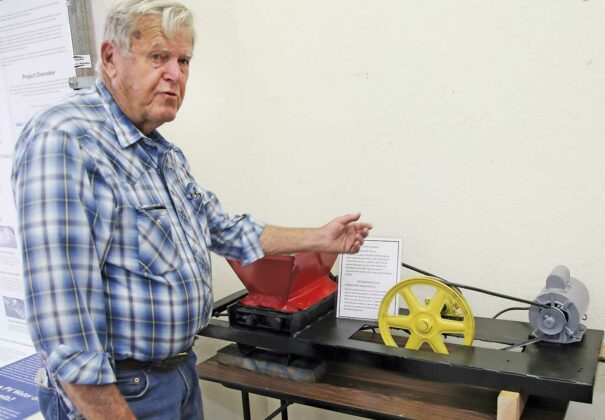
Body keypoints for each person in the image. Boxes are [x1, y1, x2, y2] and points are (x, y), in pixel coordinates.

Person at [11, 1, 372, 419]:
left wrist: (320, 237)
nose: (175, 75)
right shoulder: (65, 139)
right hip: (121, 393)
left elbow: (224, 229)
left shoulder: (162, 153)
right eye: (158, 57)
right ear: (110, 58)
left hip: (179, 373)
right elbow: (64, 330)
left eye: (183, 61)